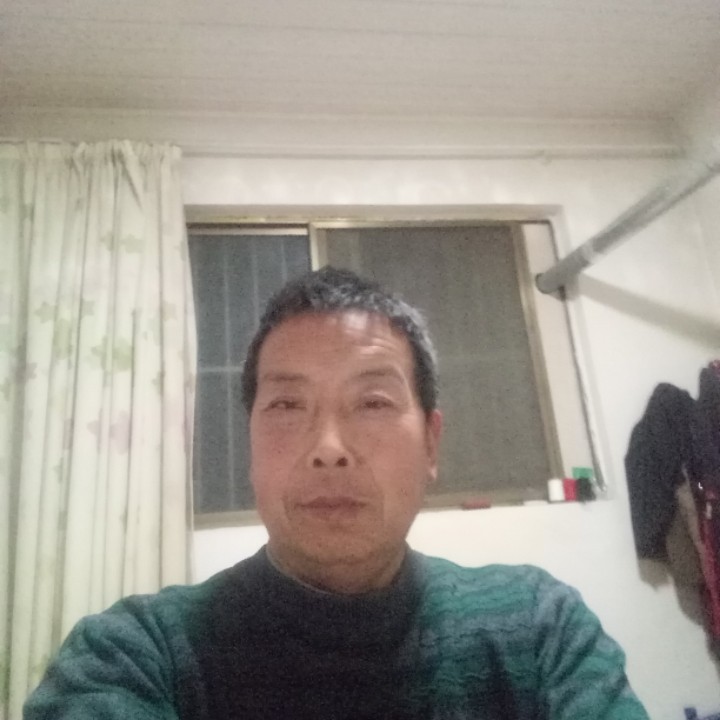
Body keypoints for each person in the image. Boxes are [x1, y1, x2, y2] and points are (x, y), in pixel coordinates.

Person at [24, 266, 649, 719]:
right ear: (250, 443)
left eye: (373, 402)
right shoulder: (136, 654)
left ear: (431, 443)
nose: (329, 446)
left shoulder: (539, 628)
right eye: (287, 404)